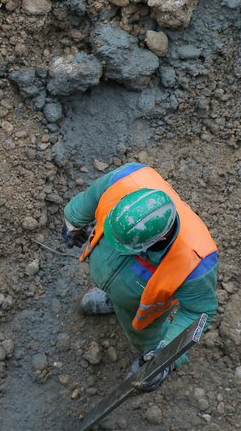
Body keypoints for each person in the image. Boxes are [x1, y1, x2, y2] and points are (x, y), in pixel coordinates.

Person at [62, 163, 218, 391]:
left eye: (121, 246)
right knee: (115, 288)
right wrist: (73, 219)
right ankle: (112, 298)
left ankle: (148, 354)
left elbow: (198, 311)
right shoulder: (129, 178)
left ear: (153, 243)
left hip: (142, 304)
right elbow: (95, 194)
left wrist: (166, 356)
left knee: (144, 333)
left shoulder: (196, 262)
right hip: (113, 276)